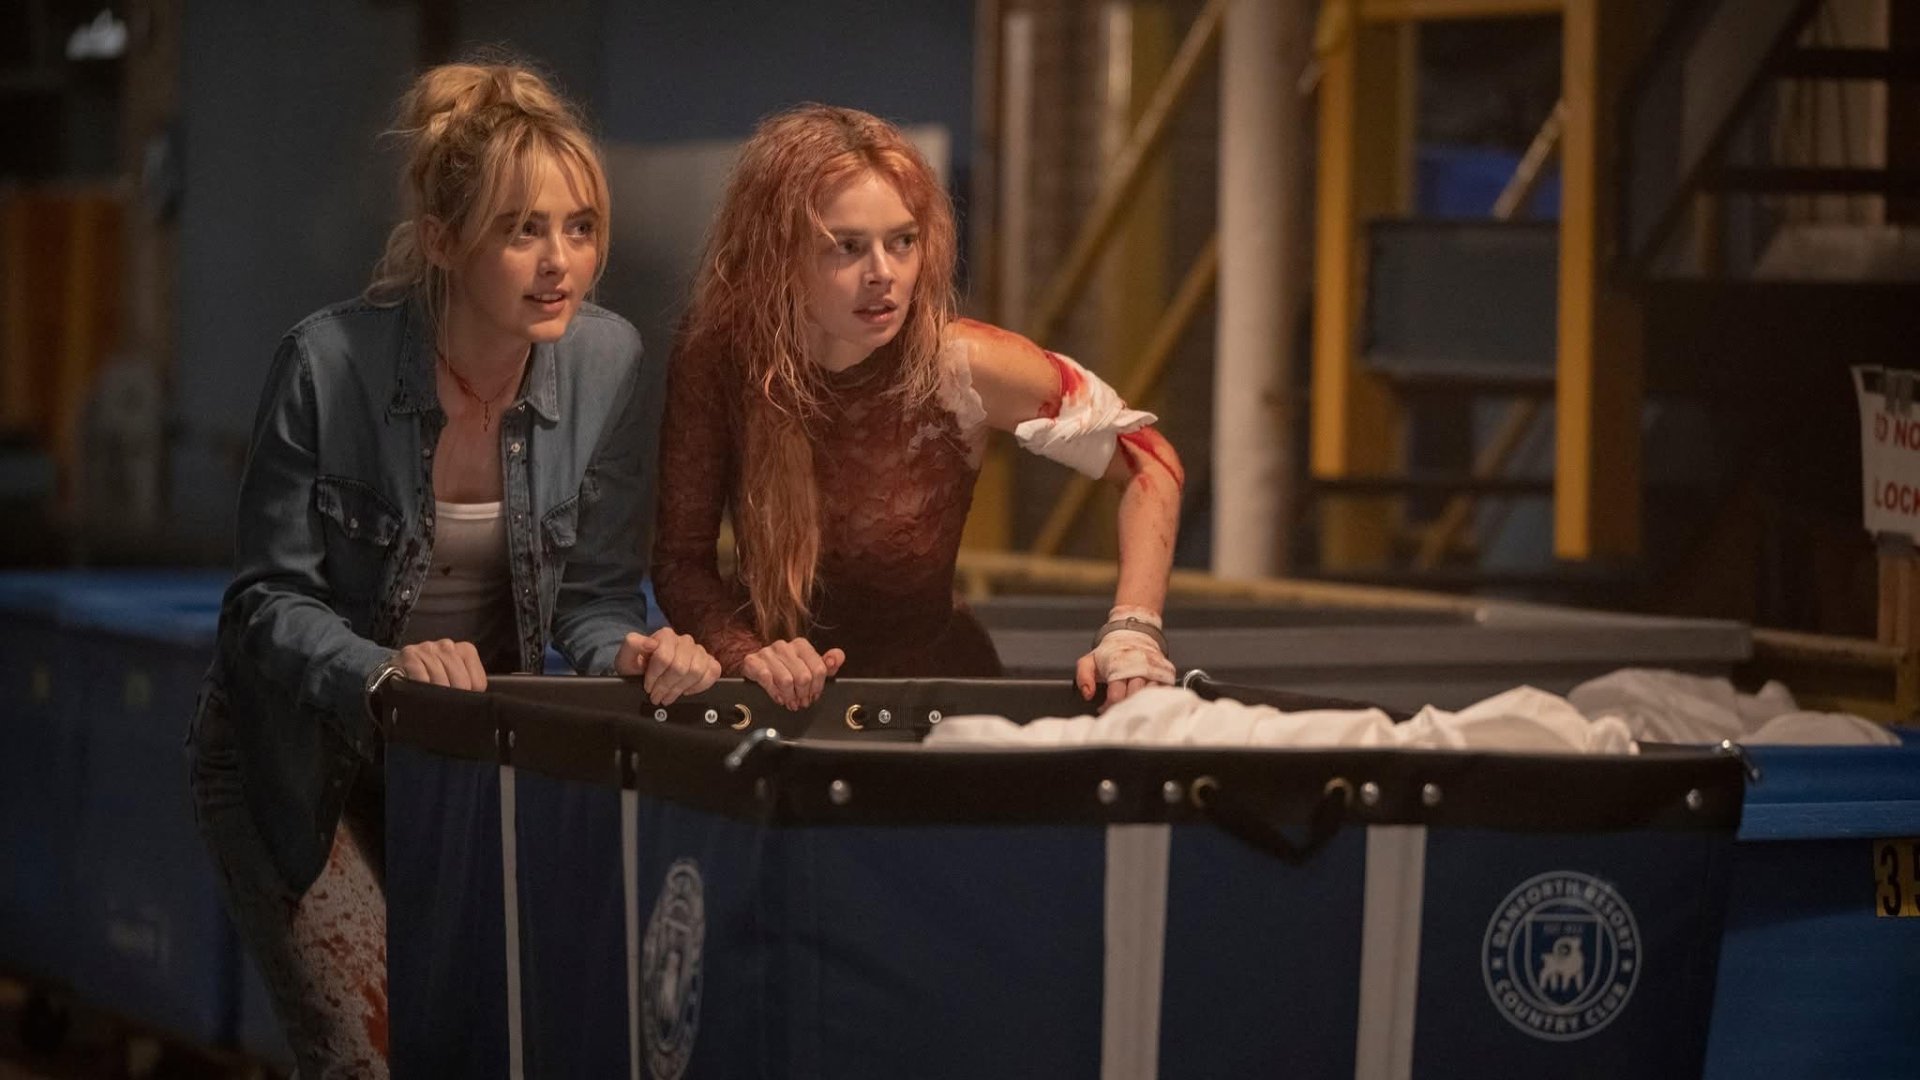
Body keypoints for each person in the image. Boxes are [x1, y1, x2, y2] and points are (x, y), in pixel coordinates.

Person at [186, 60, 718, 1077]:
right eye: (522, 231)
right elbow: (263, 604)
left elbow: (595, 600)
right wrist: (386, 671)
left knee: (482, 1051)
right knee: (369, 1059)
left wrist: (637, 651)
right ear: (442, 239)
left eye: (580, 227)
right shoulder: (326, 365)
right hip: (296, 765)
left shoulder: (608, 362)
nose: (560, 262)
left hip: (454, 766)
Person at [654, 104, 1183, 712]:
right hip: (784, 705)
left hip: (939, 706)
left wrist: (1134, 630)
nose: (883, 273)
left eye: (903, 241)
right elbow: (680, 562)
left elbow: (1150, 460)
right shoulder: (721, 352)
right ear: (777, 253)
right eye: (847, 246)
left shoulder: (960, 362)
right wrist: (745, 653)